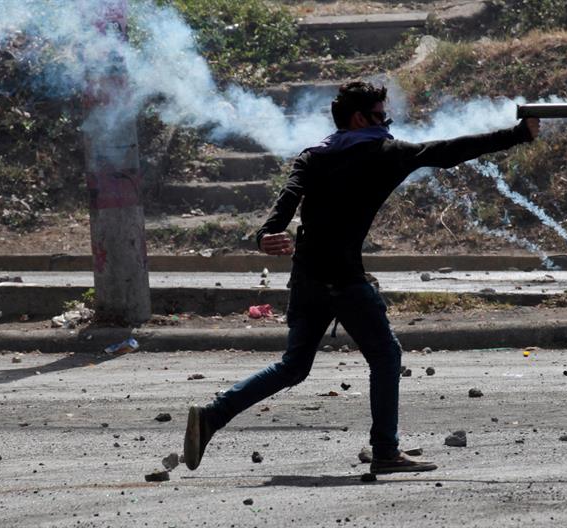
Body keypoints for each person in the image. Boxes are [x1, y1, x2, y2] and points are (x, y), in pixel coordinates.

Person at [184, 81, 539, 474]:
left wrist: (266, 234)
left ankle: (212, 415)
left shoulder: (314, 155)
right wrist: (518, 135)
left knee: (293, 367)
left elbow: (288, 198)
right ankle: (385, 451)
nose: (386, 124)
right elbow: (449, 151)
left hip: (307, 276)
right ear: (359, 118)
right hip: (344, 280)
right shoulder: (384, 154)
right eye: (381, 116)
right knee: (386, 356)